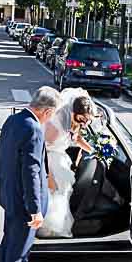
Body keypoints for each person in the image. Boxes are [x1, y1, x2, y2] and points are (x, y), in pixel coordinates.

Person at [0, 86, 59, 262]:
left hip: (9, 196)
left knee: (8, 244)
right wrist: (35, 209)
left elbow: (5, 159)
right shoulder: (34, 129)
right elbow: (31, 171)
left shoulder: (13, 121)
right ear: (47, 111)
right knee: (19, 251)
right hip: (23, 201)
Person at [38, 89, 96, 238]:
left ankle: (59, 227)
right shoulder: (55, 127)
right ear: (73, 112)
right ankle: (50, 229)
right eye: (82, 119)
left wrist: (93, 150)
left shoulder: (72, 121)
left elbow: (76, 138)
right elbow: (40, 150)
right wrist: (48, 177)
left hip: (60, 158)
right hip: (50, 161)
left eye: (87, 120)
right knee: (56, 192)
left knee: (63, 192)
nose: (84, 123)